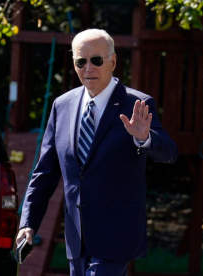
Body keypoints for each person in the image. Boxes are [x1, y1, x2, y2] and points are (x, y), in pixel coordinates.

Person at [17, 28, 178, 276]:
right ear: (74, 64)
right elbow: (45, 173)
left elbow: (169, 153)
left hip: (117, 235)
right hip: (76, 236)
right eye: (81, 61)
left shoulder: (137, 103)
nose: (88, 68)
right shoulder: (62, 106)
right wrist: (28, 223)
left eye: (97, 60)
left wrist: (144, 137)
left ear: (112, 61)